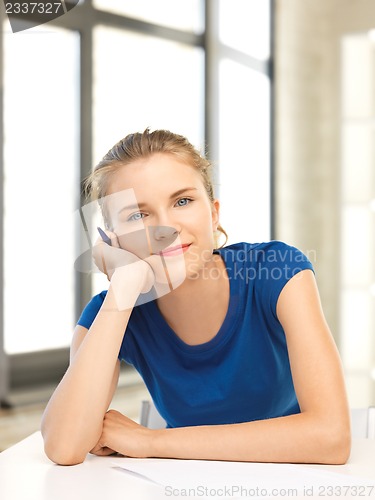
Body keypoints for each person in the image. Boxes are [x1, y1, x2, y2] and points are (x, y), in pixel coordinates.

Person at [41, 128, 351, 466]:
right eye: (138, 215)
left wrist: (151, 441)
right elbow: (64, 447)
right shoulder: (112, 310)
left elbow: (330, 437)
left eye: (182, 201)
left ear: (214, 213)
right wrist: (124, 286)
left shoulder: (276, 271)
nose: (167, 227)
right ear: (112, 240)